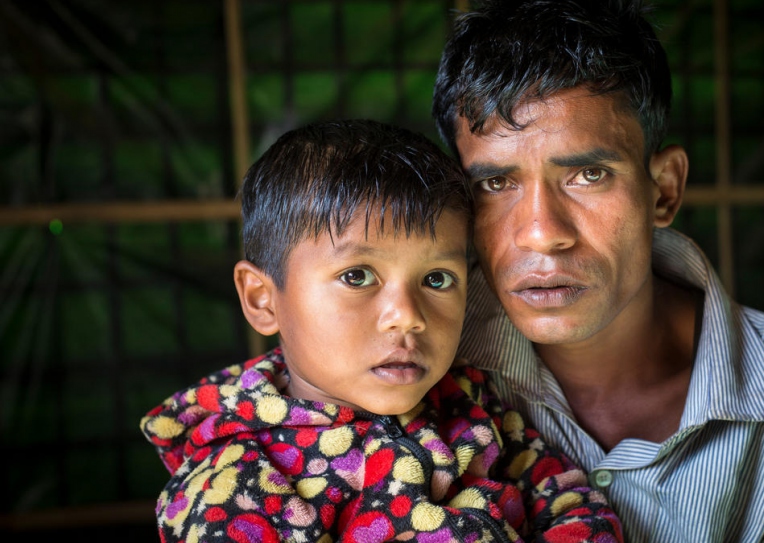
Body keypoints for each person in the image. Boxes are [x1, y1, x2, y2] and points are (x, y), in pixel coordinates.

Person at [432, 1, 764, 541]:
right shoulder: (408, 356)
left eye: (589, 174)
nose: (541, 232)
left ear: (664, 190)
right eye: (495, 184)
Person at [140, 119, 623, 543]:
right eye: (357, 276)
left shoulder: (473, 404)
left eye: (436, 279)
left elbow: (571, 504)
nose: (406, 315)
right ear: (262, 299)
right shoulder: (234, 489)